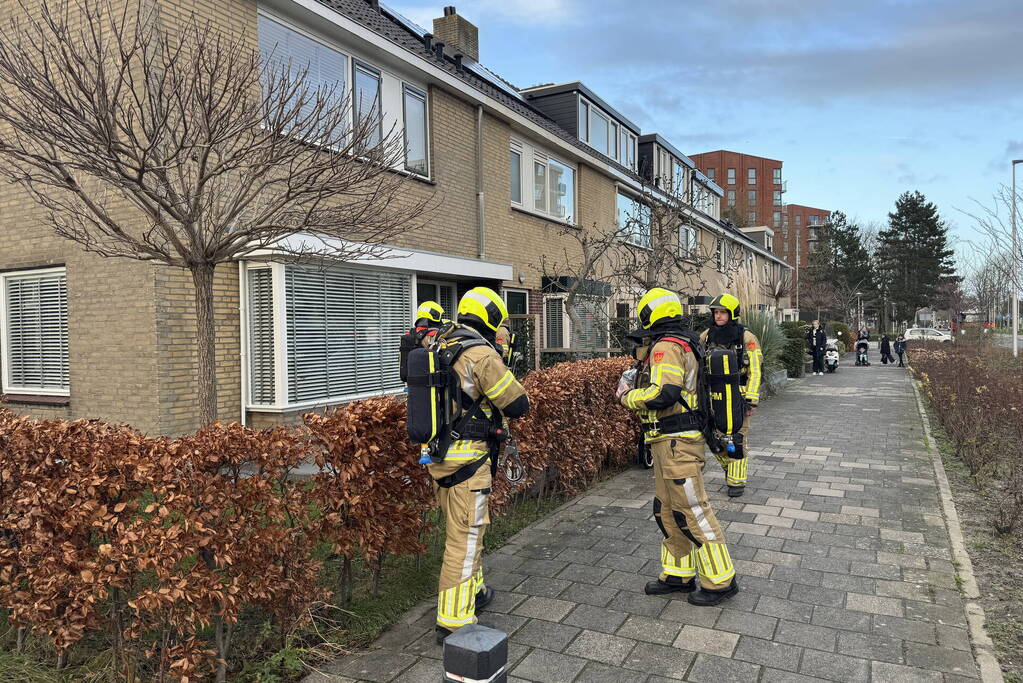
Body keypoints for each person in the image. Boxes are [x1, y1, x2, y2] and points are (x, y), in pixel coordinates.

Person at [618, 288, 739, 605]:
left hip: (678, 443)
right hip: (667, 442)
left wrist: (627, 397)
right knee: (667, 511)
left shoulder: (667, 346)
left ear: (650, 314)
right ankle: (678, 574)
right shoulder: (683, 341)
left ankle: (721, 581)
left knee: (692, 511)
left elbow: (664, 394)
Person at [428, 287, 529, 643]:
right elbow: (516, 404)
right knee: (465, 538)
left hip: (440, 456)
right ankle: (453, 620)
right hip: (469, 460)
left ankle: (476, 590)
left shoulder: (441, 344)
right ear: (491, 318)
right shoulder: (481, 354)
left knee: (464, 532)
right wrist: (503, 361)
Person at [699, 293, 762, 497]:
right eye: (716, 312)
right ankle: (731, 468)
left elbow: (755, 369)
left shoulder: (746, 338)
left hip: (738, 397)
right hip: (711, 397)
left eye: (723, 312)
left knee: (736, 438)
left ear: (732, 314)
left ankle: (736, 482)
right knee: (711, 436)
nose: (718, 316)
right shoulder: (706, 336)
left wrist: (751, 400)